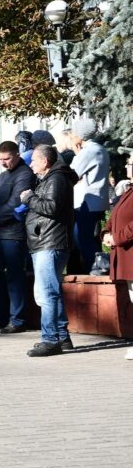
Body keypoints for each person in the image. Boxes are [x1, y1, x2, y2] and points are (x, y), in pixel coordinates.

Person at [20, 145, 79, 357]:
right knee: (51, 291)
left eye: (34, 160)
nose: (31, 164)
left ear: (45, 161)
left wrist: (29, 198)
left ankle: (50, 338)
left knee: (46, 294)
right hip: (45, 241)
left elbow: (51, 207)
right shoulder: (52, 178)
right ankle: (62, 337)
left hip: (50, 242)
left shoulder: (56, 179)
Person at [0, 141, 35, 333]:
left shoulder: (25, 174)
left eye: (7, 159)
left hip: (13, 234)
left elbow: (15, 203)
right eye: (1, 159)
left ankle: (17, 319)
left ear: (17, 155)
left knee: (15, 278)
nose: (3, 163)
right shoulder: (2, 176)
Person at [69, 118, 110, 273]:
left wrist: (76, 152)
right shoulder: (100, 149)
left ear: (81, 134)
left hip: (87, 202)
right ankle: (96, 269)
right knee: (89, 239)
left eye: (74, 133)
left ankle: (92, 271)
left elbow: (72, 172)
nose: (73, 136)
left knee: (82, 240)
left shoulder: (88, 151)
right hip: (97, 201)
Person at [103, 154, 133, 360]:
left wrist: (117, 238)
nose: (126, 165)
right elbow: (116, 216)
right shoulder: (129, 190)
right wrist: (107, 231)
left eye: (130, 162)